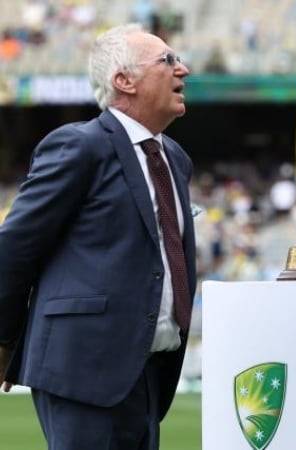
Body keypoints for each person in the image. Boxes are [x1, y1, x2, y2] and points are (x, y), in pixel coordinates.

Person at [0, 24, 196, 450]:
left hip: (150, 372)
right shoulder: (78, 145)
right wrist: (4, 340)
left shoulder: (175, 159)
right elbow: (15, 247)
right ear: (123, 81)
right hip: (81, 370)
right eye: (168, 60)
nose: (184, 69)